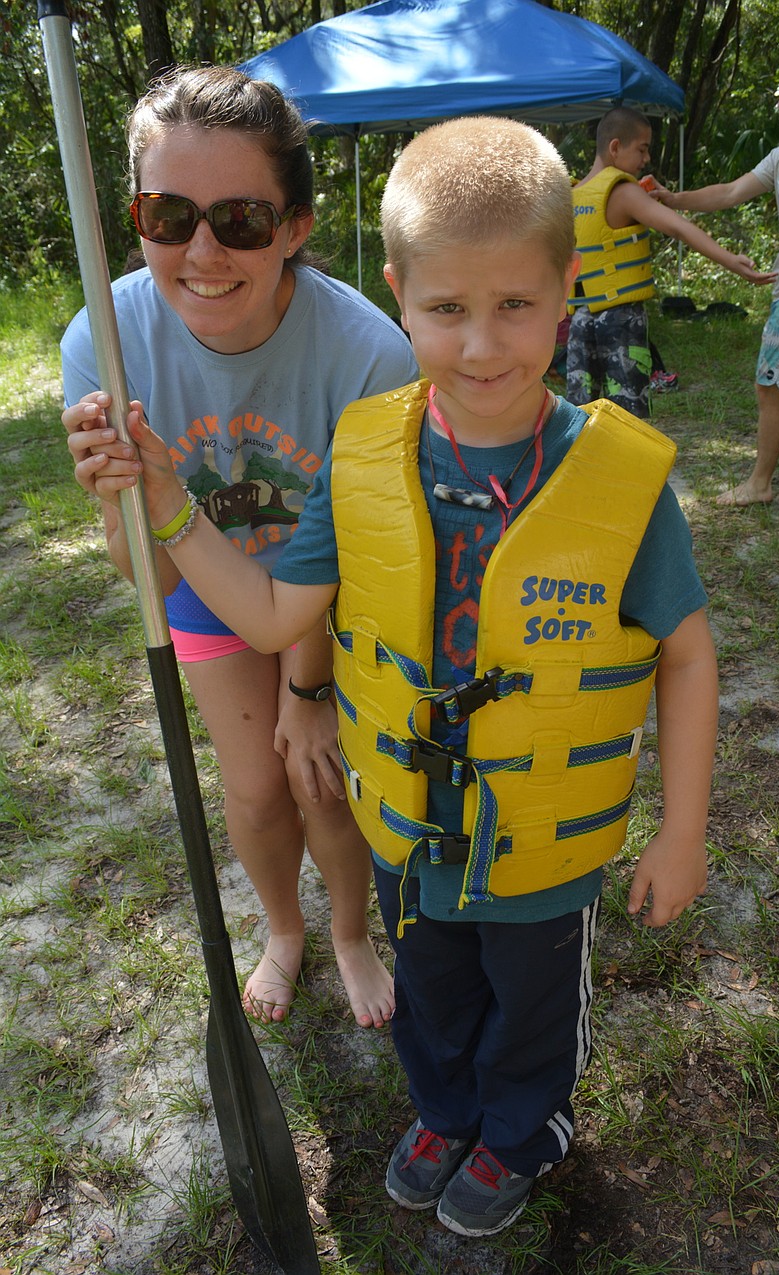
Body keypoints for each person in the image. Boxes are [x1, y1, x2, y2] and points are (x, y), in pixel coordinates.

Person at [78, 115, 718, 1238]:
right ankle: (444, 1108)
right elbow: (271, 614)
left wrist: (681, 830)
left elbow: (687, 650)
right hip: (409, 822)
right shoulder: (363, 456)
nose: (480, 346)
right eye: (446, 311)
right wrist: (169, 504)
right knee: (430, 989)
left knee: (525, 1006)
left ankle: (522, 1129)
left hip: (542, 841)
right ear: (399, 295)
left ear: (566, 291)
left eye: (515, 306)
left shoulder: (621, 482)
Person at [61, 66, 418, 1027]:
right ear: (137, 217)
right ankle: (283, 929)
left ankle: (349, 932)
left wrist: (307, 693)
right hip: (201, 584)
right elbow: (151, 573)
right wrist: (118, 498)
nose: (203, 250)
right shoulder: (104, 339)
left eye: (242, 221)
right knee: (259, 793)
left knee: (325, 782)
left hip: (332, 593)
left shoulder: (371, 356)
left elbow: (343, 563)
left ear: (295, 228)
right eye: (169, 215)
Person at [654, 44, 779, 505]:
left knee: (767, 385)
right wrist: (673, 200)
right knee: (776, 382)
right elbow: (729, 192)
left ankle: (759, 483)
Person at [566, 106, 775, 418]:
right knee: (627, 418)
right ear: (615, 147)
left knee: (580, 414)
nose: (646, 159)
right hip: (621, 320)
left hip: (580, 321)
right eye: (642, 148)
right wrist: (731, 261)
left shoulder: (571, 194)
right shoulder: (623, 191)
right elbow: (679, 227)